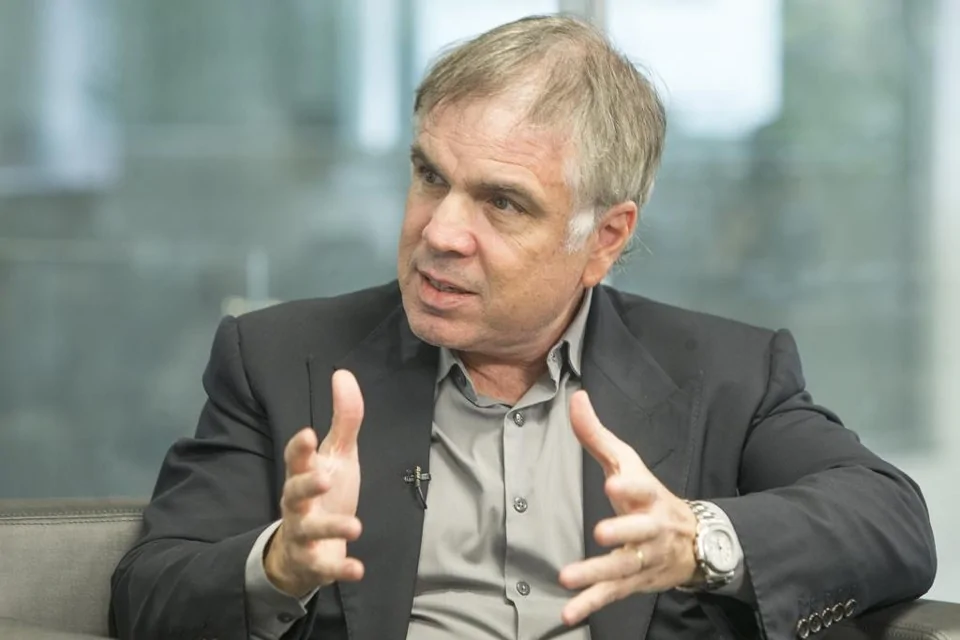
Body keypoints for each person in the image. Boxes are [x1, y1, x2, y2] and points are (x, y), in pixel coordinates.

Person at [108, 14, 936, 640]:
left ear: (604, 238)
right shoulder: (281, 359)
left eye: (502, 203)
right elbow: (148, 591)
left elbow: (889, 519)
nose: (440, 232)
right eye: (431, 177)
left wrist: (698, 541)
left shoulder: (725, 373)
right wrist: (277, 566)